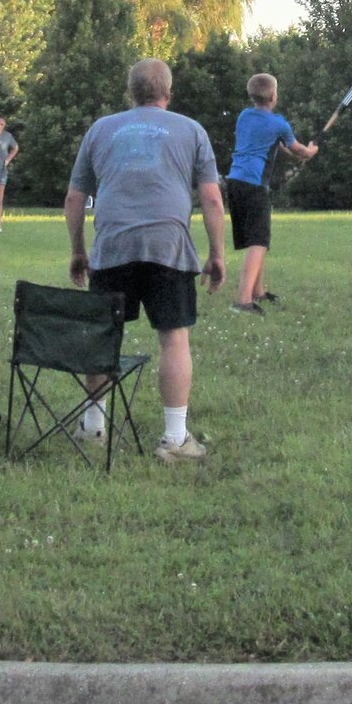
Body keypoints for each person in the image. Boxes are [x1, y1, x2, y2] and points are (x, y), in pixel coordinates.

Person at [64, 57, 228, 462]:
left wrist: (79, 251)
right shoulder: (191, 130)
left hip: (113, 247)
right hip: (169, 248)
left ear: (130, 93)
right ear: (168, 94)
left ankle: (94, 425)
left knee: (105, 335)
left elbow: (73, 198)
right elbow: (210, 197)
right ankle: (174, 440)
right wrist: (217, 254)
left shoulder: (101, 129)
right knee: (173, 337)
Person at [223, 72, 319, 313]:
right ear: (274, 96)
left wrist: (296, 151)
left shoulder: (245, 117)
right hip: (254, 185)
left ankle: (258, 291)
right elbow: (297, 149)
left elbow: (276, 144)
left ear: (252, 96)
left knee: (257, 239)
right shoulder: (279, 124)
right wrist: (310, 151)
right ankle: (244, 300)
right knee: (258, 241)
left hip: (235, 181)